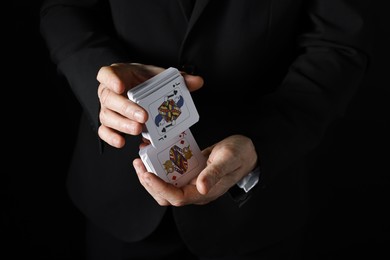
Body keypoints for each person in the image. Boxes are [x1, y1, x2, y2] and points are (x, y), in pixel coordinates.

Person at [39, 0, 370, 259]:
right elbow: (64, 9)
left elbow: (338, 44)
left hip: (257, 210)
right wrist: (101, 83)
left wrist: (262, 142)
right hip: (118, 196)